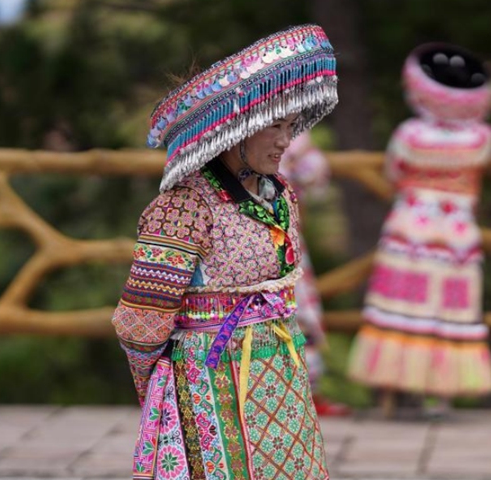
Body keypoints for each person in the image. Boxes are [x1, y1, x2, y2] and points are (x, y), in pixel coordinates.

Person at [111, 24, 337, 479]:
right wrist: (157, 385)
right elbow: (141, 321)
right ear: (238, 128)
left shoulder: (281, 195)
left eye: (291, 127)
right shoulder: (182, 207)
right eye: (275, 125)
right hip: (205, 378)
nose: (285, 141)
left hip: (280, 376)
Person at [347, 43, 491, 418]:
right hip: (457, 232)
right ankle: (442, 395)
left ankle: (390, 394)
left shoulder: (409, 134)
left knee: (397, 306)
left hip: (409, 229)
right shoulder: (482, 139)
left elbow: (393, 172)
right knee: (449, 310)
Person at [279, 133, 351, 416]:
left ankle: (300, 390)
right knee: (296, 309)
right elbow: (315, 172)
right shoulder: (289, 134)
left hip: (277, 238)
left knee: (292, 309)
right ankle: (304, 391)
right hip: (283, 237)